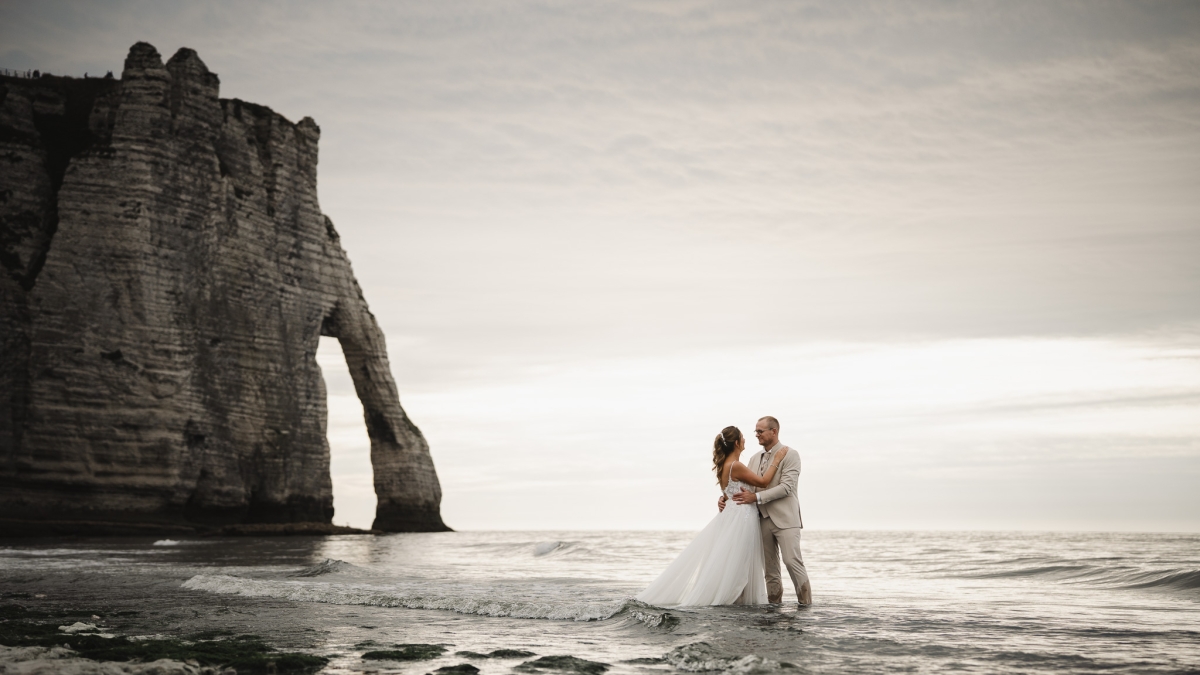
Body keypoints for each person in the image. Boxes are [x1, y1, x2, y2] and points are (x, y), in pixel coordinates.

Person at [636, 426, 788, 606]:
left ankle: (737, 602)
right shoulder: (736, 465)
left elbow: (729, 494)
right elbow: (763, 482)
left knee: (733, 563)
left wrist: (723, 499)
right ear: (737, 443)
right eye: (743, 437)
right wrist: (777, 459)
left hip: (733, 515)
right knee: (740, 565)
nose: (746, 440)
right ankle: (733, 602)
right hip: (742, 517)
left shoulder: (725, 466)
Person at [721, 416, 811, 605]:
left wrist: (756, 497)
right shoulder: (754, 459)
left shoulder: (790, 454)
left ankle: (806, 605)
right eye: (755, 431)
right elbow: (746, 487)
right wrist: (725, 499)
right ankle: (774, 608)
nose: (756, 435)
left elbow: (787, 487)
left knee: (792, 561)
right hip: (760, 519)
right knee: (770, 570)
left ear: (774, 431)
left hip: (786, 519)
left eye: (760, 431)